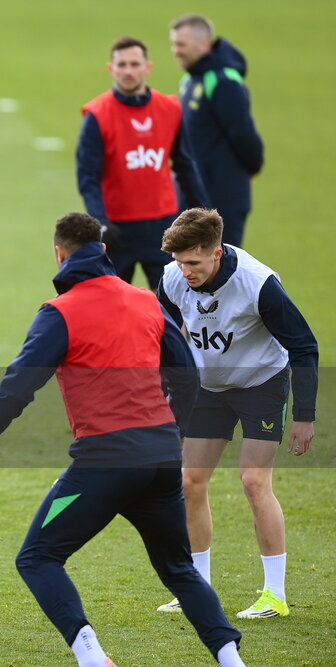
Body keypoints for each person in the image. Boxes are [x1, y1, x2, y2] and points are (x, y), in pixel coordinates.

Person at [0, 213, 244, 667]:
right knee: (179, 569)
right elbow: (186, 375)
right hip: (162, 457)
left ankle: (91, 657)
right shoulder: (146, 300)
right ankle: (230, 658)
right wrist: (171, 431)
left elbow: (18, 386)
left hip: (104, 464)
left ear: (60, 254)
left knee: (38, 557)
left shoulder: (58, 313)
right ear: (105, 252)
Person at [156, 208, 317, 619]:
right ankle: (197, 587)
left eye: (193, 262)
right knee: (190, 482)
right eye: (179, 262)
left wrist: (304, 416)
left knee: (253, 481)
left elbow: (303, 346)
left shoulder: (258, 284)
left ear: (216, 252)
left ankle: (274, 595)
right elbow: (166, 338)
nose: (184, 271)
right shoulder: (172, 279)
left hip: (262, 384)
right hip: (209, 387)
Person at [77, 36, 210, 288]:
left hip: (164, 228)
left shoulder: (170, 109)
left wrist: (206, 213)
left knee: (174, 307)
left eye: (135, 64)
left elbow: (184, 166)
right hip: (117, 230)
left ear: (147, 67)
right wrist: (101, 222)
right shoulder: (97, 115)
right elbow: (88, 177)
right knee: (113, 308)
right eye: (122, 64)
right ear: (111, 68)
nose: (128, 71)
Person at [169, 14, 263, 247]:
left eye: (181, 44)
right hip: (192, 192)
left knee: (222, 269)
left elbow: (243, 133)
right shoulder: (190, 80)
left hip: (223, 196)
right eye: (173, 44)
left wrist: (251, 166)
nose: (175, 50)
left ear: (203, 44)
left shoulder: (223, 81)